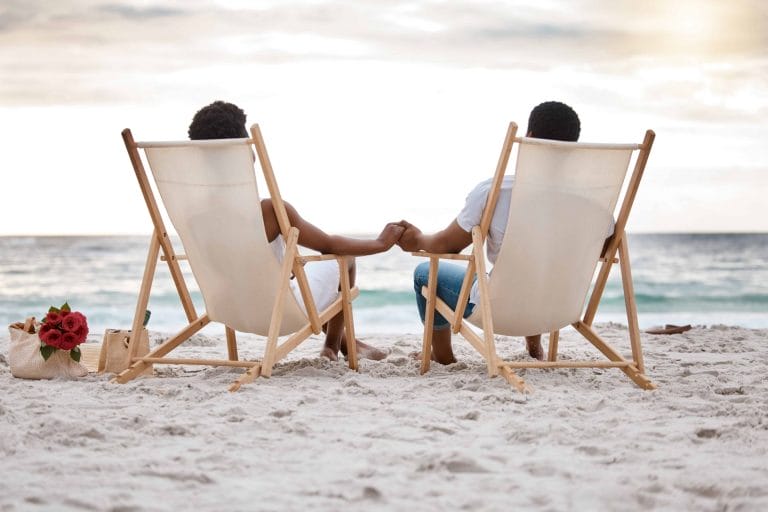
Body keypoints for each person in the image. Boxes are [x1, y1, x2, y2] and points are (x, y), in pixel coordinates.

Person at [188, 100, 404, 361]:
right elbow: (329, 245)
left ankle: (350, 343)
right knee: (345, 260)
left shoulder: (194, 216)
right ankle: (333, 347)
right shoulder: (270, 212)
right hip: (278, 314)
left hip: (230, 311)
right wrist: (381, 243)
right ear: (248, 151)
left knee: (292, 272)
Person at [395, 101, 583, 364]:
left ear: (527, 139)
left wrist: (416, 239)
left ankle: (442, 355)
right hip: (559, 310)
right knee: (541, 264)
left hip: (502, 310)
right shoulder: (588, 201)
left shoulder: (496, 192)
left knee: (425, 274)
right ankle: (534, 348)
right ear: (572, 150)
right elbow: (605, 247)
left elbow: (445, 246)